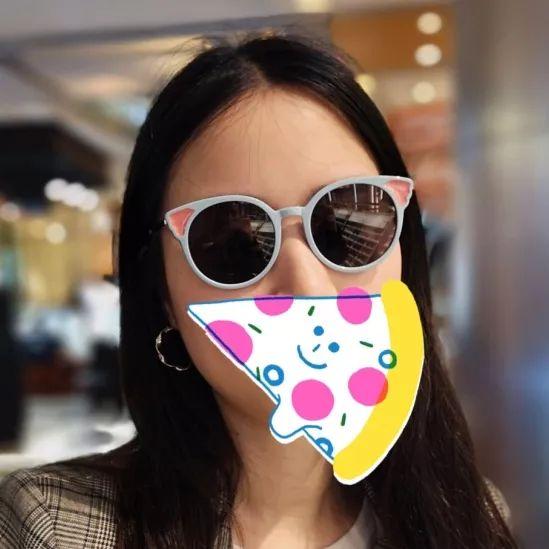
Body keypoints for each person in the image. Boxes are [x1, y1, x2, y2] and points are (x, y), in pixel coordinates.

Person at [0, 31, 517, 549]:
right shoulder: (53, 527)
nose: (306, 284)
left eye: (345, 223)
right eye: (234, 243)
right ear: (163, 292)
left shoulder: (474, 517)